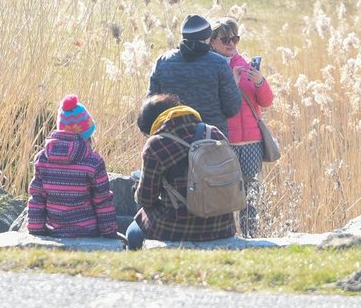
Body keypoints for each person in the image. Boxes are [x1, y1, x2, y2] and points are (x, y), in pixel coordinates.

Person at [125, 93, 236, 249]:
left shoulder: (157, 144)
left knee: (132, 234)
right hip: (222, 226)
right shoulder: (214, 133)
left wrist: (138, 185)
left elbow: (146, 199)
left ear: (152, 126)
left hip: (177, 229)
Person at [210, 17, 274, 237]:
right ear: (211, 42)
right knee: (225, 191)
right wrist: (232, 82)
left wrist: (260, 82)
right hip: (225, 141)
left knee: (251, 194)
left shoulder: (245, 65)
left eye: (235, 38)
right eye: (225, 39)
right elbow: (215, 104)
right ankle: (226, 236)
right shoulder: (210, 67)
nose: (231, 44)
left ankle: (250, 238)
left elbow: (265, 102)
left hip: (252, 142)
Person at [27, 94, 117, 238]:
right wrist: (109, 233)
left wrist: (36, 230)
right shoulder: (93, 162)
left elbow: (37, 197)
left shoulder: (42, 158)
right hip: (88, 231)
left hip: (54, 231)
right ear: (87, 134)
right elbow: (103, 200)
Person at [146, 13, 240, 137]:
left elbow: (151, 104)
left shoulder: (163, 61)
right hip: (211, 140)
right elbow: (232, 108)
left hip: (172, 140)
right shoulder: (219, 63)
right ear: (207, 38)